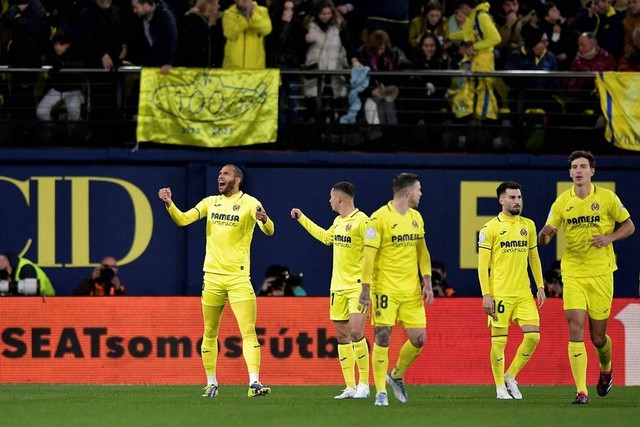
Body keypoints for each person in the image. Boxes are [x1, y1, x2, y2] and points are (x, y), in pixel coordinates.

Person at [158, 164, 274, 398]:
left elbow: (269, 231)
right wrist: (170, 204)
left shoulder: (251, 203)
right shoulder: (210, 202)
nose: (220, 177)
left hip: (239, 278)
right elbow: (182, 220)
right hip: (211, 278)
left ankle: (254, 383)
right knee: (210, 332)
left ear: (237, 179)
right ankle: (211, 383)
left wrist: (264, 220)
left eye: (226, 174)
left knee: (248, 331)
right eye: (220, 174)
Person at [538, 150, 635, 404]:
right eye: (574, 167)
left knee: (598, 337)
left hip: (601, 273)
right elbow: (545, 238)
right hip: (573, 273)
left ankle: (606, 368)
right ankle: (582, 391)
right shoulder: (561, 202)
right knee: (575, 326)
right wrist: (544, 235)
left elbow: (629, 225)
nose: (578, 171)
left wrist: (609, 238)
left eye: (583, 166)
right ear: (570, 172)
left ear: (592, 171)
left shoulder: (607, 198)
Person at [290, 181, 371, 400]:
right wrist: (302, 219)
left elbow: (375, 253)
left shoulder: (363, 221)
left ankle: (364, 383)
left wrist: (368, 286)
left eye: (330, 197)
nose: (329, 201)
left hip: (357, 286)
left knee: (356, 332)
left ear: (339, 198)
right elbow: (326, 238)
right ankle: (351, 387)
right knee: (342, 336)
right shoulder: (337, 222)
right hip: (337, 287)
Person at [360, 173, 434, 406]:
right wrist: (365, 288)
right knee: (383, 337)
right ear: (408, 192)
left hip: (411, 291)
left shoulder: (416, 218)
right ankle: (381, 391)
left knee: (419, 339)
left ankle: (396, 375)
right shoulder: (379, 218)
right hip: (385, 290)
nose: (421, 194)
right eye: (419, 190)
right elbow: (368, 256)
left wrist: (428, 281)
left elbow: (422, 252)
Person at [477, 181, 545, 400]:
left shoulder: (529, 225)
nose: (517, 201)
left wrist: (540, 286)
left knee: (533, 336)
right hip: (500, 294)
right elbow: (482, 265)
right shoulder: (490, 229)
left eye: (519, 197)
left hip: (524, 294)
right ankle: (499, 388)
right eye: (512, 198)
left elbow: (534, 257)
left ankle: (510, 375)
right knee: (499, 341)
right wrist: (486, 294)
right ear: (501, 200)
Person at [36, 31, 86, 122]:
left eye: (61, 44)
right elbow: (43, 62)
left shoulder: (76, 54)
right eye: (56, 44)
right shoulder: (51, 55)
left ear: (68, 45)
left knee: (74, 112)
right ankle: (53, 129)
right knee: (41, 111)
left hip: (73, 89)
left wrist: (63, 64)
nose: (57, 47)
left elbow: (81, 65)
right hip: (57, 88)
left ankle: (72, 133)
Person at [131, 0, 178, 74]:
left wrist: (169, 62)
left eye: (136, 7)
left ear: (145, 5)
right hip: (150, 66)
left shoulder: (165, 16)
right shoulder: (141, 18)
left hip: (164, 67)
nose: (134, 11)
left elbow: (173, 40)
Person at [222, 0, 272, 69]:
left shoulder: (262, 11)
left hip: (256, 68)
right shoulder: (229, 13)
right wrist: (245, 17)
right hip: (232, 68)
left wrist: (252, 14)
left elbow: (267, 29)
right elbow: (229, 33)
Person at [177, 0, 225, 68]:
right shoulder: (193, 23)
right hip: (193, 72)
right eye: (216, 4)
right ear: (208, 7)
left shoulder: (210, 26)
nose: (219, 6)